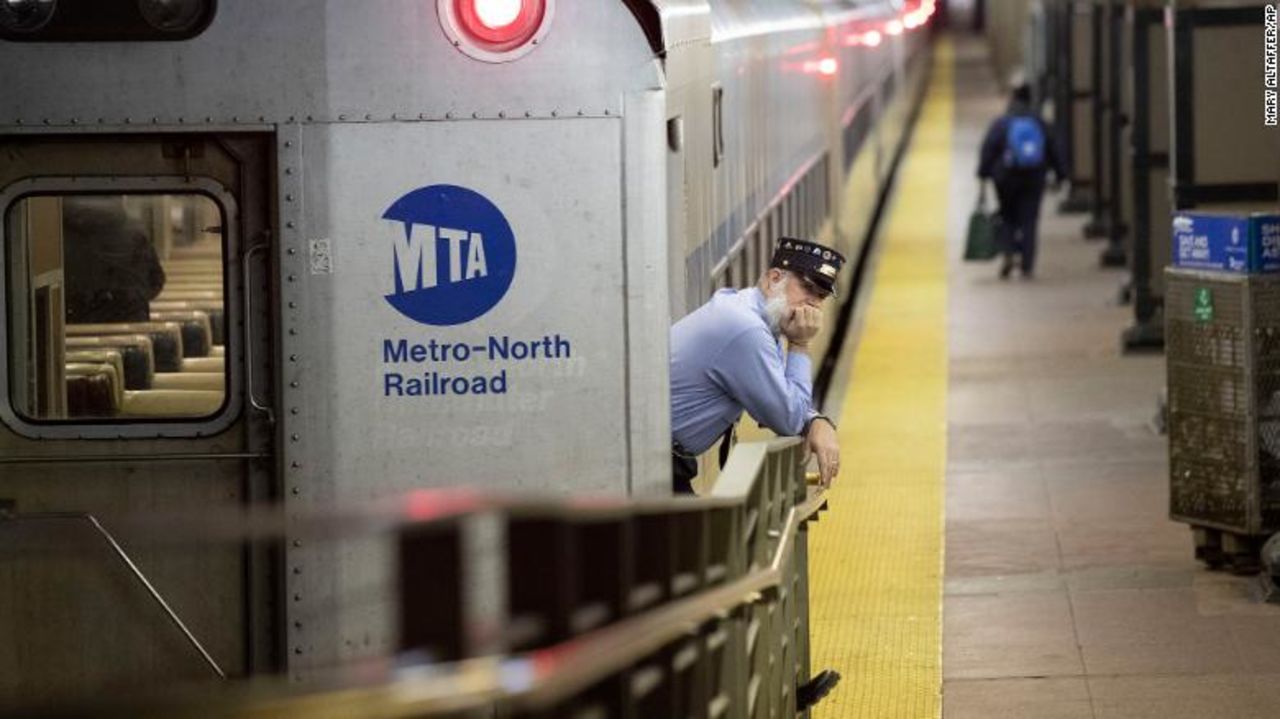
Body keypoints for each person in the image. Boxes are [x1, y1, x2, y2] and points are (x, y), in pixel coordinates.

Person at [669, 237, 844, 495]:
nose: (813, 304)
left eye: (821, 297)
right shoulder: (747, 330)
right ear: (774, 278)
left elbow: (776, 395)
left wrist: (816, 420)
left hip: (664, 459)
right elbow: (788, 419)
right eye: (807, 289)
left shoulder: (749, 311)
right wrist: (800, 343)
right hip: (651, 463)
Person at [977, 82, 1066, 279]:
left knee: (1008, 216)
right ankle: (1027, 264)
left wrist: (983, 174)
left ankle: (1008, 252)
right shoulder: (1039, 122)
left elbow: (988, 149)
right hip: (1033, 177)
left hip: (1006, 179)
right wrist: (1061, 175)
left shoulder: (1002, 122)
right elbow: (1055, 147)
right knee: (1029, 220)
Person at [61, 195, 166, 323]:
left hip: (71, 330)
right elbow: (155, 280)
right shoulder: (134, 231)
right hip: (129, 326)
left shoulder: (56, 235)